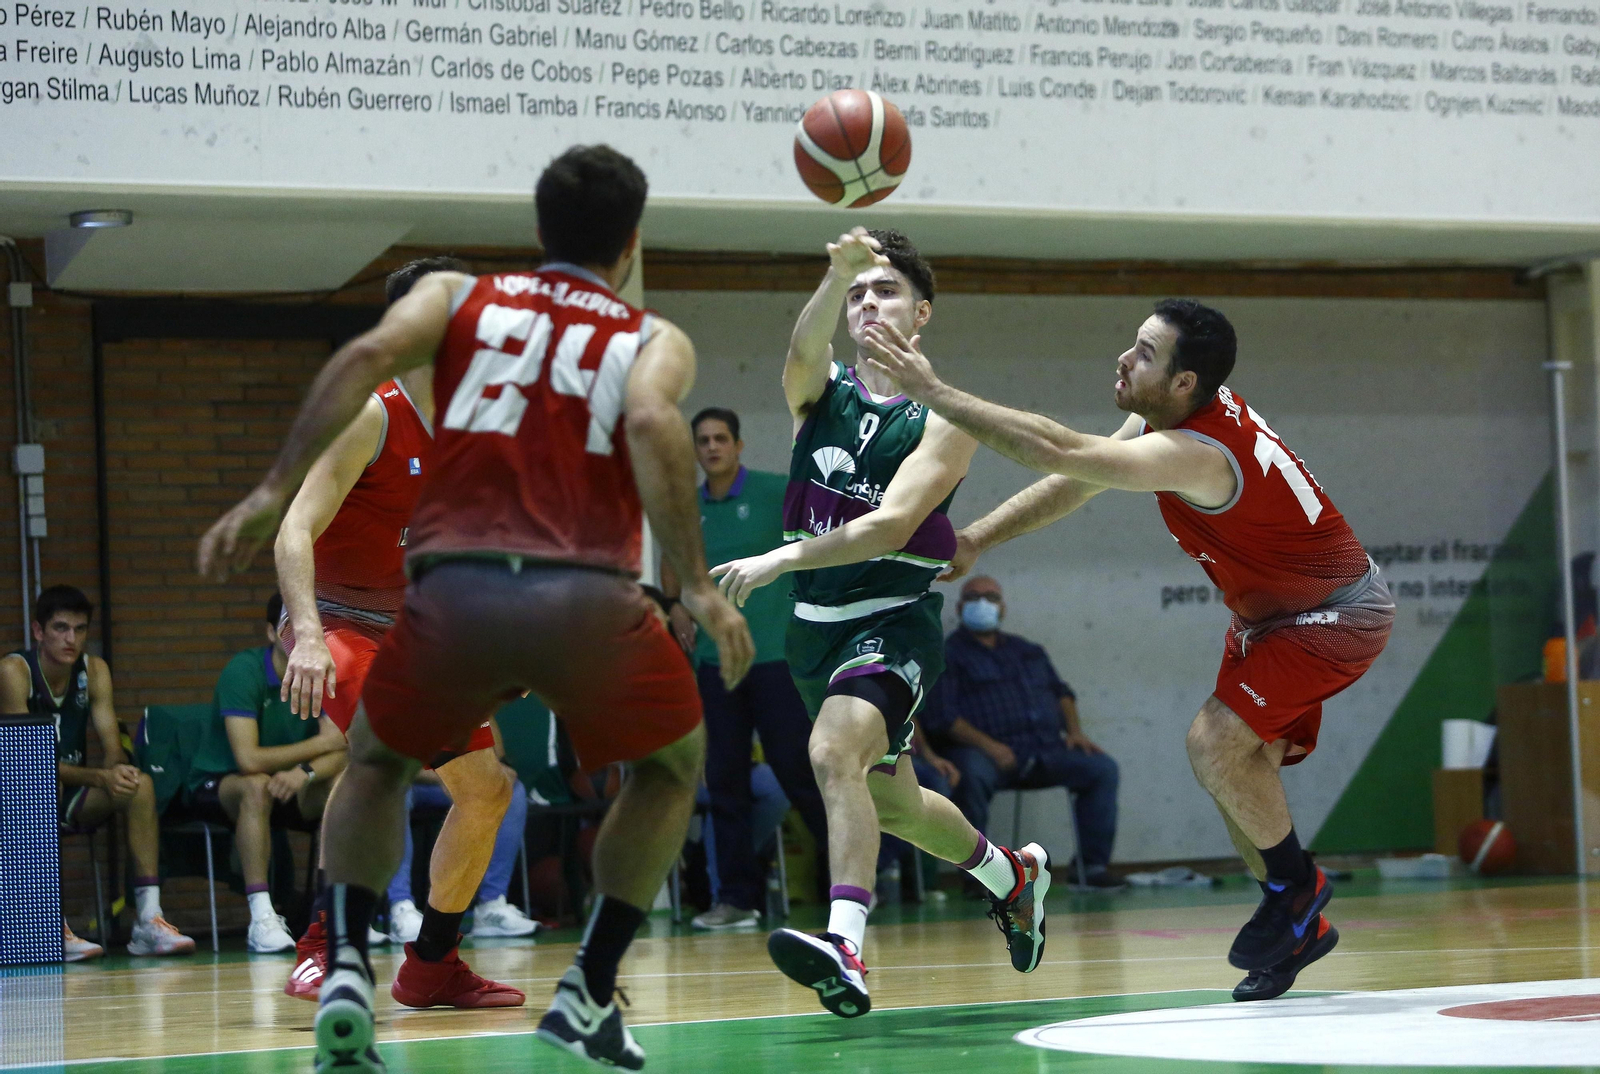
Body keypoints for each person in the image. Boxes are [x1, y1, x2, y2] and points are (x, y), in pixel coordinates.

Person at [198, 143, 754, 1073]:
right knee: (672, 764)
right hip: (574, 590)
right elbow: (656, 427)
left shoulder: (467, 303)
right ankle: (587, 986)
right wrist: (693, 582)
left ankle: (352, 968)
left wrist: (266, 488)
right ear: (631, 244)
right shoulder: (646, 335)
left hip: (449, 595)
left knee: (378, 768)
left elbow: (365, 348)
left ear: (538, 234)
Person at [863, 298, 1394, 1002]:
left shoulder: (1198, 453)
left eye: (1145, 352)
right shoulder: (1179, 415)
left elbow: (1061, 449)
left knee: (1214, 744)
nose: (1124, 357)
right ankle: (1295, 922)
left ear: (1183, 383)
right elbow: (1081, 477)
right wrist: (979, 539)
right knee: (1242, 771)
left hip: (1332, 614)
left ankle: (1297, 892)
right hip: (1272, 617)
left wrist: (937, 395)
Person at [709, 228, 1051, 1019]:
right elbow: (798, 354)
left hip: (890, 622)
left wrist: (778, 560)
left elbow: (892, 525)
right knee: (892, 805)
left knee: (832, 752)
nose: (868, 304)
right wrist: (836, 274)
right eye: (859, 296)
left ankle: (846, 945)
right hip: (814, 631)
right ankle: (1012, 877)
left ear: (921, 313)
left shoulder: (945, 420)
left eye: (885, 291)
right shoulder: (818, 394)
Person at [272, 255, 525, 1010]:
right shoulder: (370, 413)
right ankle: (324, 945)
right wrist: (310, 634)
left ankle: (432, 965)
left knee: (487, 790)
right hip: (340, 618)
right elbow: (294, 530)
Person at [660, 406, 829, 931]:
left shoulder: (777, 491)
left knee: (802, 776)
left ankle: (844, 890)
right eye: (703, 440)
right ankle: (737, 899)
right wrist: (674, 604)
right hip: (715, 666)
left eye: (720, 439)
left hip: (778, 660)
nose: (711, 447)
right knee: (724, 784)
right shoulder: (686, 507)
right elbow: (674, 564)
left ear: (738, 445)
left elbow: (820, 537)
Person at [1, 585, 195, 962]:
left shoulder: (94, 671)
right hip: (18, 794)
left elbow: (110, 744)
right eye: (60, 628)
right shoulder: (13, 671)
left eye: (79, 629)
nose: (70, 639)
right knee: (40, 784)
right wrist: (98, 778)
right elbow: (26, 762)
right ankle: (48, 925)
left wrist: (118, 770)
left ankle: (148, 920)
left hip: (70, 789)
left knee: (140, 786)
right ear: (38, 631)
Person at [932, 576, 1123, 890]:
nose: (982, 603)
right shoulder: (948, 654)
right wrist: (991, 747)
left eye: (991, 597)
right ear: (959, 607)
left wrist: (1074, 731)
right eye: (973, 597)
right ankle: (978, 878)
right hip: (986, 755)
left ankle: (1091, 867)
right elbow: (944, 717)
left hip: (1044, 749)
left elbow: (1062, 692)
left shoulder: (1028, 650)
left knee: (1101, 769)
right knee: (970, 774)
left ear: (1003, 607)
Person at [184, 594, 349, 953]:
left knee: (347, 785)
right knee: (255, 786)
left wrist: (305, 773)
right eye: (292, 629)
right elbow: (248, 760)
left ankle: (338, 916)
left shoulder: (322, 671)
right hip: (220, 783)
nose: (304, 639)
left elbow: (343, 752)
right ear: (272, 633)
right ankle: (262, 917)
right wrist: (318, 749)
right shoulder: (243, 671)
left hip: (290, 784)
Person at [385, 726, 537, 944]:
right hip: (409, 779)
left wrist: (486, 700)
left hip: (450, 773)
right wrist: (444, 776)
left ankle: (491, 905)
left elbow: (496, 753)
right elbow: (387, 761)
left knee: (507, 788)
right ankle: (401, 907)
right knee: (392, 789)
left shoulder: (459, 692)